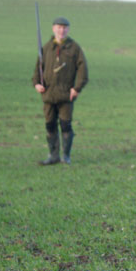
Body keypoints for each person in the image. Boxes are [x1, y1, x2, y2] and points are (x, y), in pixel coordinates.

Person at [32, 17, 88, 165]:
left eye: (64, 28)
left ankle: (66, 157)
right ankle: (53, 156)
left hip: (66, 95)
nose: (61, 30)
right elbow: (38, 69)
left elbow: (83, 70)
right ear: (53, 29)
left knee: (65, 125)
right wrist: (37, 84)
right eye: (59, 27)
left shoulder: (74, 48)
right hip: (48, 95)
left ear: (68, 29)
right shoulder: (46, 48)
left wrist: (77, 88)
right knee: (49, 125)